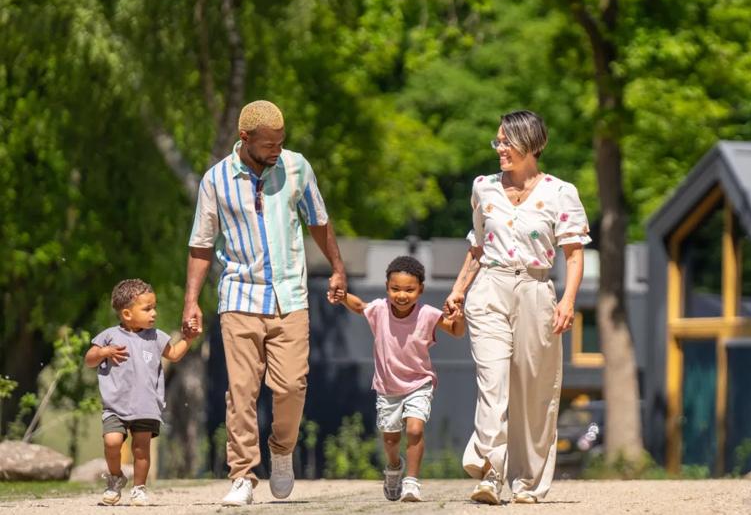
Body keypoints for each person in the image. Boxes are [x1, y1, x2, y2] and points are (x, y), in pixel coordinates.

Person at [182, 100, 348, 506]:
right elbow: (201, 246)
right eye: (269, 143)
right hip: (239, 295)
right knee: (241, 390)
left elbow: (318, 222)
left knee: (291, 385)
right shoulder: (216, 180)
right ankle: (242, 474)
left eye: (281, 141)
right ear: (245, 138)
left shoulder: (296, 168)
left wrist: (338, 269)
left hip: (290, 295)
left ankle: (281, 449)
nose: (277, 149)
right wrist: (191, 301)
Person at [445, 110, 589, 505]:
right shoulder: (483, 187)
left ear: (530, 144)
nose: (499, 149)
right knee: (493, 383)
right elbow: (476, 247)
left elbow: (574, 256)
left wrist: (568, 300)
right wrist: (458, 292)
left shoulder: (561, 193)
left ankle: (527, 482)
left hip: (536, 289)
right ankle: (490, 472)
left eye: (506, 142)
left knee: (534, 391)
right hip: (489, 287)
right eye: (498, 142)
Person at [331, 256, 466, 502]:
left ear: (421, 290)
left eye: (409, 289)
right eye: (395, 289)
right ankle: (394, 468)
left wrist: (459, 315)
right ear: (386, 287)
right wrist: (342, 297)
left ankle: (412, 482)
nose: (401, 295)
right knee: (391, 439)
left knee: (415, 430)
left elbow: (457, 332)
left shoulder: (428, 314)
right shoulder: (380, 310)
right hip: (388, 387)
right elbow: (360, 306)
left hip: (419, 383)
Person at [85, 278, 196, 506]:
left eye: (154, 307)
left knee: (141, 449)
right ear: (126, 314)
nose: (153, 313)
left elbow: (174, 354)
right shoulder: (109, 336)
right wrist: (104, 352)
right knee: (113, 442)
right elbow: (89, 360)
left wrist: (189, 338)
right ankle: (115, 479)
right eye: (147, 309)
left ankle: (139, 488)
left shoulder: (156, 336)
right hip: (115, 406)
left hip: (146, 405)